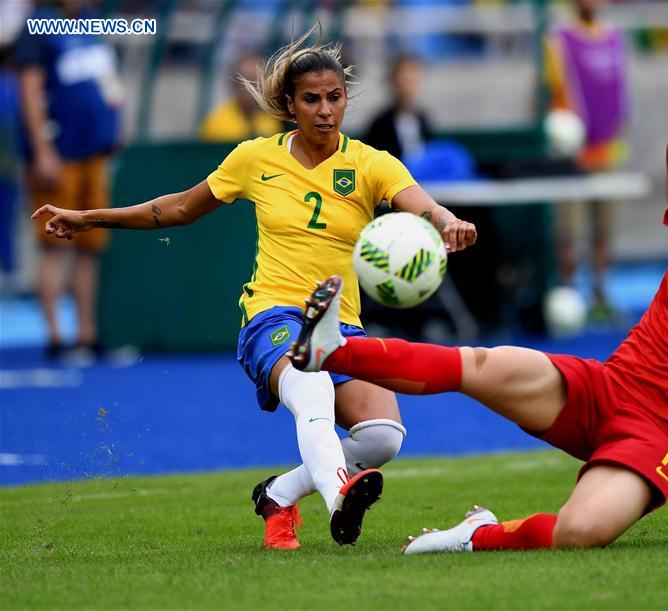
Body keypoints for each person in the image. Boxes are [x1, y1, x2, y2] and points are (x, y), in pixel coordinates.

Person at [289, 52, 668, 553]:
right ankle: (332, 352)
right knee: (477, 365)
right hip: (605, 387)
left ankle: (479, 534)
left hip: (659, 431)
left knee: (579, 532)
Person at [32, 25, 477, 550]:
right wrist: (89, 217)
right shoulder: (255, 158)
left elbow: (422, 203)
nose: (325, 110)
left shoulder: (370, 164)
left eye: (334, 97)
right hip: (273, 315)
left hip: (340, 323)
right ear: (290, 104)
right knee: (309, 379)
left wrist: (446, 222)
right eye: (311, 99)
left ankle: (278, 495)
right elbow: (176, 208)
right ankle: (340, 497)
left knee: (383, 438)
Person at [15, 0, 124, 361]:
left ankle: (87, 336)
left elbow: (108, 81)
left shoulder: (94, 25)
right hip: (60, 155)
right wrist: (43, 151)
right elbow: (29, 91)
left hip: (93, 155)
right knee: (54, 245)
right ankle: (55, 338)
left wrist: (115, 125)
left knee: (90, 246)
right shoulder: (38, 27)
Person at [545, 0, 628, 319]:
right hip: (572, 156)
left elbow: (619, 93)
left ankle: (600, 296)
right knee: (569, 231)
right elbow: (548, 94)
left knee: (604, 230)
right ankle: (567, 295)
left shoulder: (615, 38)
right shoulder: (558, 39)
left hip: (608, 152)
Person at [363, 53, 434, 161]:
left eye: (412, 78)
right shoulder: (380, 124)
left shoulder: (423, 118)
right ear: (393, 82)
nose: (408, 83)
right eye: (404, 79)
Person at [198, 54, 284, 143]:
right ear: (234, 85)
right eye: (246, 82)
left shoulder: (271, 122)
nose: (252, 88)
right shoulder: (217, 123)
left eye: (257, 82)